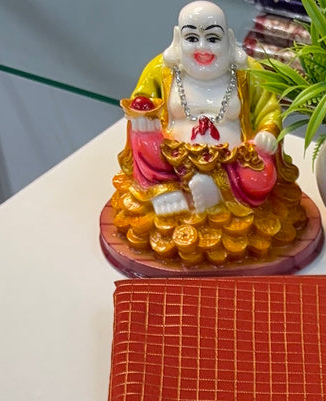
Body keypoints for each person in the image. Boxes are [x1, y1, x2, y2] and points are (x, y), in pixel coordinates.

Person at [109, 2, 307, 266]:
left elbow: (269, 110)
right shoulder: (162, 69)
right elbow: (141, 100)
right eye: (192, 38)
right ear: (178, 38)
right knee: (143, 136)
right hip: (172, 159)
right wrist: (143, 116)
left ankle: (215, 189)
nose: (202, 48)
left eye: (212, 38)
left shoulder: (248, 72)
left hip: (233, 160)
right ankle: (165, 190)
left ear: (229, 39)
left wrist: (267, 133)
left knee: (262, 174)